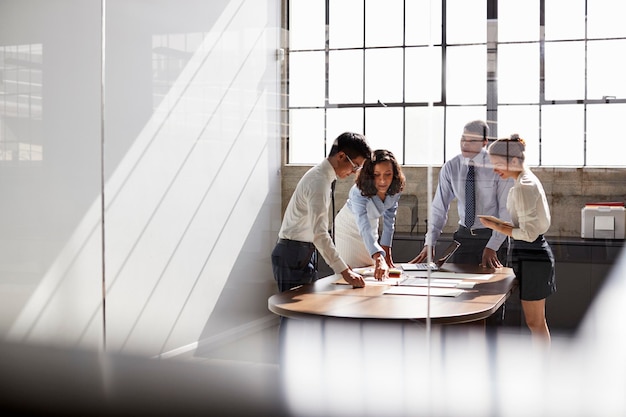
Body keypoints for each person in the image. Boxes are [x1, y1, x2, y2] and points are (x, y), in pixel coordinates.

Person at [271, 132, 372, 292]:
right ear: (341, 156)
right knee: (294, 314)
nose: (354, 172)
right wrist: (345, 272)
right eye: (356, 166)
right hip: (293, 253)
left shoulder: (323, 177)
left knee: (304, 312)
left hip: (301, 251)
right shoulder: (319, 182)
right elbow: (320, 233)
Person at [479, 134, 556, 345]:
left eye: (497, 164)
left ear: (513, 161)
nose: (495, 170)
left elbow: (529, 234)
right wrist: (498, 223)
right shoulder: (522, 181)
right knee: (536, 323)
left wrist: (496, 226)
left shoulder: (524, 185)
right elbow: (524, 226)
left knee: (535, 322)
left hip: (533, 255)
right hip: (529, 254)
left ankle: (543, 372)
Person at [410, 119, 513, 268]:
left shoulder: (498, 167)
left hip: (492, 236)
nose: (465, 144)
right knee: (459, 286)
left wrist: (493, 246)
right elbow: (439, 207)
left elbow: (506, 211)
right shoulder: (451, 167)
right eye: (463, 139)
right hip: (464, 237)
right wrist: (430, 242)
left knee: (491, 288)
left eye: (472, 141)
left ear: (485, 142)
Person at [334, 149, 406, 280]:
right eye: (376, 175)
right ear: (369, 175)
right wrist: (378, 256)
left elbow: (390, 220)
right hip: (349, 228)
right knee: (350, 275)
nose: (382, 181)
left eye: (388, 174)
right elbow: (362, 224)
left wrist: (386, 254)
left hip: (371, 225)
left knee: (373, 273)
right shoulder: (358, 191)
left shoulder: (395, 189)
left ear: (394, 174)